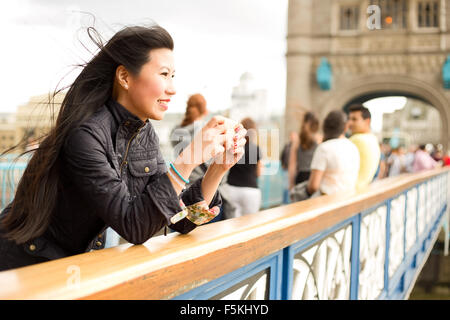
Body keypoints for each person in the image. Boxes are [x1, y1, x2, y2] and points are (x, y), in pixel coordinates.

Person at [0, 25, 248, 271]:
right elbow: (134, 227)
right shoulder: (85, 135)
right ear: (125, 77)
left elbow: (177, 218)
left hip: (69, 268)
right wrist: (190, 157)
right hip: (22, 267)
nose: (172, 88)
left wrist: (218, 168)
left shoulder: (143, 132)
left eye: (173, 76)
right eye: (163, 74)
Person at [306, 110, 360, 197]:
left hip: (327, 203)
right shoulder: (353, 147)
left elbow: (313, 186)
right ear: (345, 127)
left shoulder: (324, 148)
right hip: (348, 199)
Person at [223, 118, 263, 218]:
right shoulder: (256, 149)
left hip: (232, 189)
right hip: (251, 191)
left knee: (232, 224)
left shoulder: (235, 147)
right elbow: (259, 173)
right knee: (250, 226)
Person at [347, 104, 381, 189]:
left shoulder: (356, 139)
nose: (349, 123)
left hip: (350, 192)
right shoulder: (373, 138)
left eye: (354, 119)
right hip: (363, 190)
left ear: (367, 121)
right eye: (349, 119)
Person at [288, 112, 320, 190]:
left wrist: (291, 185)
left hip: (300, 178)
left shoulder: (297, 141)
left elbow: (292, 166)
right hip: (315, 177)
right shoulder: (319, 139)